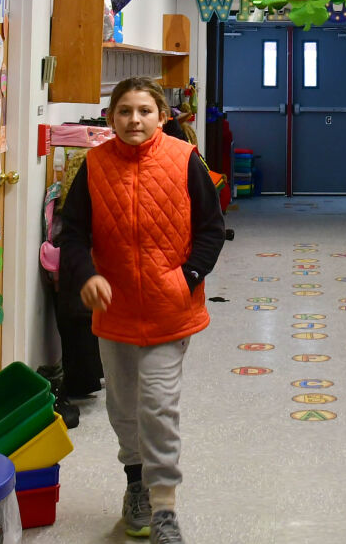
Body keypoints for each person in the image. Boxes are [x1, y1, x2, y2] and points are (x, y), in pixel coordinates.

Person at [55, 76, 225, 543]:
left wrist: (186, 278)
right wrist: (87, 275)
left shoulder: (186, 160)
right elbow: (71, 234)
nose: (134, 120)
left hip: (171, 308)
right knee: (123, 406)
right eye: (125, 111)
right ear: (111, 118)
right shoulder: (93, 165)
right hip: (114, 310)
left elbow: (213, 228)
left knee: (157, 405)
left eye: (144, 111)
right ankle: (137, 486)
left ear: (162, 117)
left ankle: (165, 506)